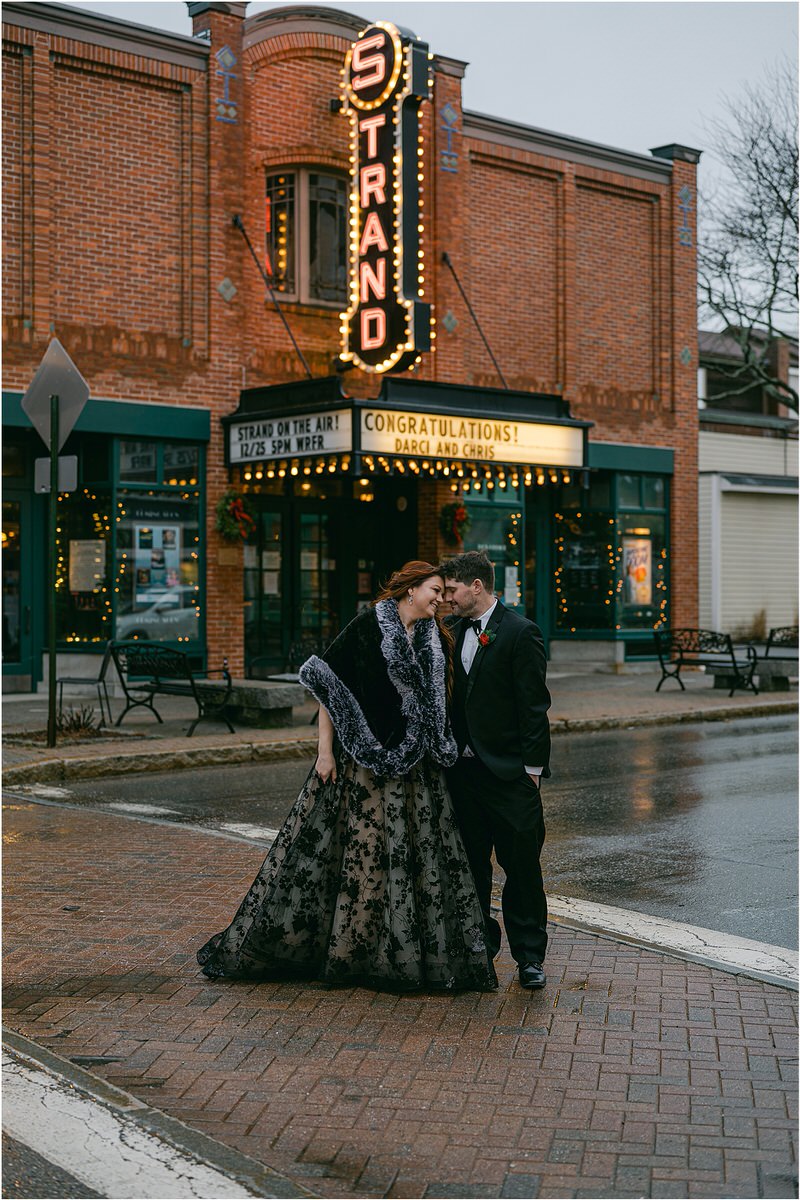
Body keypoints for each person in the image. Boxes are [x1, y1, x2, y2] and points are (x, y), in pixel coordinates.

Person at [197, 561, 497, 993]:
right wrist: (324, 753)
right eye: (434, 590)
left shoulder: (435, 638)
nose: (441, 599)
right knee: (364, 858)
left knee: (411, 863)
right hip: (366, 763)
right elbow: (330, 689)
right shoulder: (366, 627)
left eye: (443, 592)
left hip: (420, 771)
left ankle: (399, 952)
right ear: (410, 589)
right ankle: (350, 951)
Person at [442, 551, 552, 990]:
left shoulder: (521, 633)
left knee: (522, 869)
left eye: (451, 590)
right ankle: (477, 952)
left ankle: (529, 959)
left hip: (509, 777)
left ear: (476, 587)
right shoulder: (448, 631)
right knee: (469, 869)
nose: (446, 599)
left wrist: (531, 771)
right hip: (462, 776)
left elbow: (534, 706)